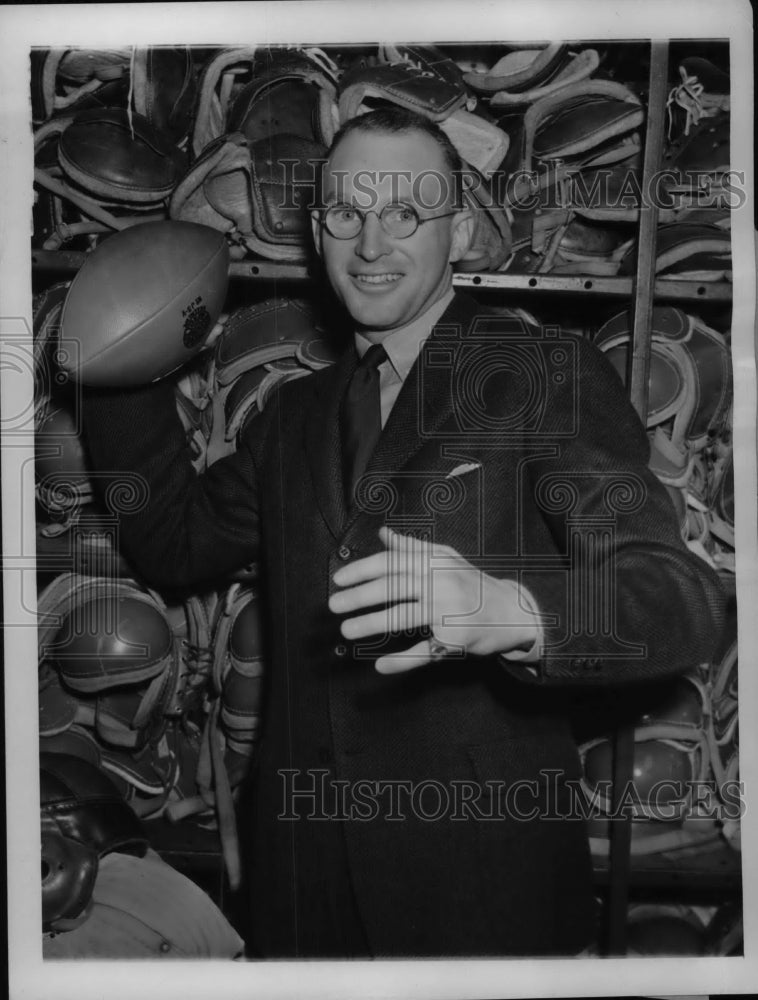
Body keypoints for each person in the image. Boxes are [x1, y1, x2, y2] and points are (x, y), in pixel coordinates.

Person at [81, 107, 724, 958]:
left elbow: (678, 601)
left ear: (458, 234)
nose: (371, 244)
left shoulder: (542, 374)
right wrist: (117, 359)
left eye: (405, 213)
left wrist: (515, 612)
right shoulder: (293, 414)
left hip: (479, 881)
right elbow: (173, 542)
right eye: (347, 213)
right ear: (318, 231)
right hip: (301, 878)